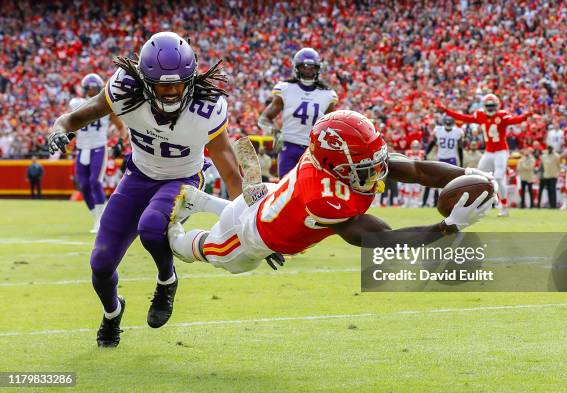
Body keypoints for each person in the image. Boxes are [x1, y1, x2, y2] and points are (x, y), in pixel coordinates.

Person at [47, 32, 243, 348]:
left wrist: (251, 225)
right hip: (138, 177)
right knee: (100, 264)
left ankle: (167, 280)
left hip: (182, 181)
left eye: (178, 84)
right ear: (144, 81)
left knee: (152, 226)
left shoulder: (206, 107)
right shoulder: (125, 89)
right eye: (163, 85)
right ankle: (112, 314)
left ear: (191, 79)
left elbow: (232, 172)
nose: (171, 92)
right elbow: (74, 117)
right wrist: (59, 129)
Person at [167, 110, 497, 277]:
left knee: (246, 205)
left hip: (270, 200)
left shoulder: (338, 162)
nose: (378, 171)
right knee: (212, 254)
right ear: (336, 167)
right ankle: (171, 229)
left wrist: (471, 175)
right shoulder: (323, 198)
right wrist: (448, 226)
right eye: (366, 166)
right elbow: (382, 241)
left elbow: (417, 169)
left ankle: (200, 200)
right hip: (251, 234)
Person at [436, 94, 532, 216]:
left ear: (497, 106)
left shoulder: (502, 115)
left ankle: (504, 206)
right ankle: (479, 206)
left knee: (498, 177)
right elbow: (464, 117)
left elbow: (515, 120)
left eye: (492, 106)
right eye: (488, 106)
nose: (490, 108)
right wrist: (446, 111)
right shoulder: (480, 115)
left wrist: (526, 116)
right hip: (488, 152)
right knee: (478, 178)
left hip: (501, 151)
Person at [257, 48, 337, 177]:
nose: (308, 71)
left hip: (312, 149)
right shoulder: (286, 88)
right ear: (296, 68)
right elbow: (264, 118)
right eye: (304, 67)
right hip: (288, 146)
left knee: (310, 191)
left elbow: (330, 127)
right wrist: (275, 132)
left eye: (312, 68)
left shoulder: (328, 95)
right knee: (286, 190)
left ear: (318, 69)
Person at [69, 73, 127, 233]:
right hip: (82, 148)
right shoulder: (76, 104)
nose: (93, 91)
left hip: (98, 147)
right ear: (85, 88)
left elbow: (121, 127)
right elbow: (70, 123)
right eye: (91, 88)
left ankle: (101, 220)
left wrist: (120, 142)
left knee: (95, 181)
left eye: (96, 88)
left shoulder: (105, 106)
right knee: (84, 185)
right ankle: (96, 218)